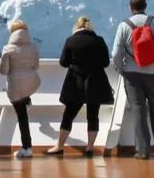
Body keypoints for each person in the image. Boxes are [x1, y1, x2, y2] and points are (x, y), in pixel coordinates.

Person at [112, 0, 154, 160]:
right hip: (153, 73)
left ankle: (143, 150)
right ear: (145, 7)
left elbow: (116, 53)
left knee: (139, 110)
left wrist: (121, 69)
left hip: (132, 75)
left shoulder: (124, 26)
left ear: (131, 8)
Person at [47, 16, 111, 157]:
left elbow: (63, 62)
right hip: (95, 81)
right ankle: (89, 148)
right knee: (93, 115)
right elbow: (106, 62)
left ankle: (59, 146)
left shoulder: (71, 41)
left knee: (69, 114)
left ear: (77, 27)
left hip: (75, 82)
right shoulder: (99, 41)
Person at [0, 19, 41, 159]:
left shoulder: (7, 48)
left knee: (22, 116)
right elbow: (36, 66)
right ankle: (27, 100)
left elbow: (4, 71)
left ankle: (27, 147)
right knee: (24, 106)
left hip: (16, 87)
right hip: (31, 83)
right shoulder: (33, 47)